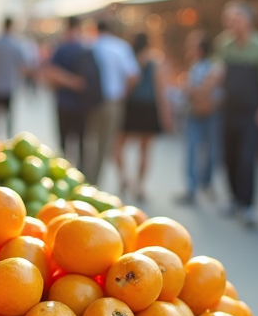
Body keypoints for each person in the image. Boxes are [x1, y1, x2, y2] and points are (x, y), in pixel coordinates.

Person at [213, 0, 258, 227]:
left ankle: (249, 205)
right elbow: (217, 71)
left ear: (248, 20)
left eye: (236, 19)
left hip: (251, 112)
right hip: (228, 109)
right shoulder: (224, 44)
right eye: (229, 19)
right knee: (229, 156)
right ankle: (233, 198)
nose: (232, 23)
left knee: (247, 158)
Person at [115, 33, 170, 200]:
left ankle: (124, 177)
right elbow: (161, 90)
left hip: (131, 107)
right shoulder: (155, 61)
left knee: (118, 145)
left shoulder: (129, 59)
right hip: (149, 108)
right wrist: (165, 114)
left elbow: (126, 84)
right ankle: (139, 186)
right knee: (145, 149)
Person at [44, 17, 101, 171]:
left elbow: (49, 74)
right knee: (82, 143)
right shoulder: (86, 49)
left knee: (64, 143)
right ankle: (80, 173)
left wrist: (66, 82)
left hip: (64, 104)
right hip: (82, 105)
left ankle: (64, 171)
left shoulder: (61, 49)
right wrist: (75, 82)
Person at [89, 20, 139, 185]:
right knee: (104, 144)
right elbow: (132, 76)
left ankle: (86, 178)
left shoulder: (90, 46)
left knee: (90, 141)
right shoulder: (120, 47)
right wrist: (123, 94)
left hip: (91, 102)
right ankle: (94, 181)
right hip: (112, 101)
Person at [179, 30, 222, 204]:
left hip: (211, 114)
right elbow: (191, 90)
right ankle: (191, 188)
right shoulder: (194, 66)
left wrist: (197, 92)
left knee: (212, 151)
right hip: (194, 114)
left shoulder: (214, 65)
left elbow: (207, 89)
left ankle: (206, 183)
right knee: (191, 150)